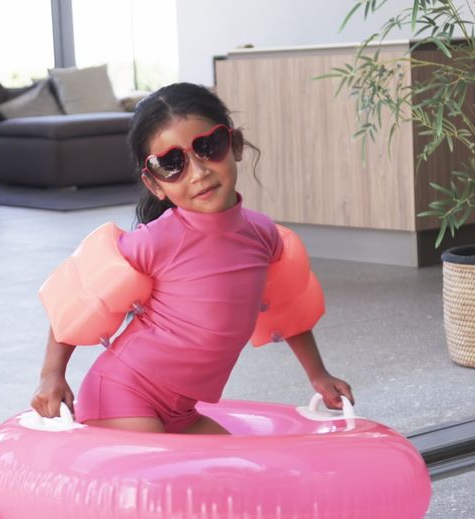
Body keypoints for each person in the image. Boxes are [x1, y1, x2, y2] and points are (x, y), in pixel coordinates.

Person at [31, 82, 353, 438]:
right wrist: (51, 375)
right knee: (162, 472)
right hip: (124, 393)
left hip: (181, 410)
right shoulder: (158, 239)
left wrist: (318, 375)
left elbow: (287, 308)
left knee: (239, 469)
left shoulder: (264, 235)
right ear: (155, 185)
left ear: (235, 144)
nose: (198, 172)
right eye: (172, 164)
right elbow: (80, 295)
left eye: (208, 147)